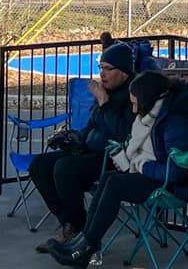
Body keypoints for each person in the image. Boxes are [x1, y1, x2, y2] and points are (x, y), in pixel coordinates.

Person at [51, 72, 188, 269]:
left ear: (147, 99)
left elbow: (177, 172)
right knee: (109, 178)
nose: (133, 109)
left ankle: (84, 248)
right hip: (160, 175)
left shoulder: (178, 121)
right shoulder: (155, 115)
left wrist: (141, 165)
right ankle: (84, 246)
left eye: (135, 103)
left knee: (116, 185)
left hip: (187, 185)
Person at [29, 42, 135, 252]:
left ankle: (77, 229)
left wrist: (105, 103)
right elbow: (92, 126)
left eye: (108, 68)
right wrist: (76, 138)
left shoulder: (132, 95)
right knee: (39, 165)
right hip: (90, 150)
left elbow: (124, 133)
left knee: (65, 168)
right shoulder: (106, 92)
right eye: (101, 68)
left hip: (113, 158)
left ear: (123, 72)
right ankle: (72, 224)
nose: (102, 74)